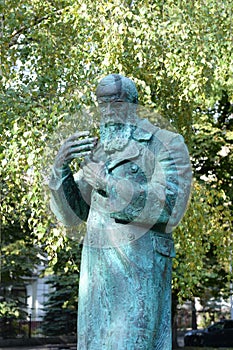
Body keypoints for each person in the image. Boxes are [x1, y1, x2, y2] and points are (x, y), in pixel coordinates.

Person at [49, 74, 192, 349]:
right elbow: (72, 214)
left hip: (139, 273)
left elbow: (170, 206)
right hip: (97, 278)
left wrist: (108, 183)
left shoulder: (165, 142)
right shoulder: (101, 152)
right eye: (102, 103)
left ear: (133, 104)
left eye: (114, 102)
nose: (107, 111)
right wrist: (61, 170)